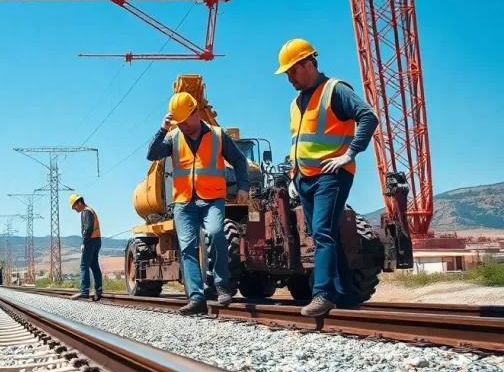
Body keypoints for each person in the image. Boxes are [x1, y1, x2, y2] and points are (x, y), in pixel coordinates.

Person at [275, 38, 378, 317]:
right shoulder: (296, 103)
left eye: (292, 71)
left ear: (308, 63)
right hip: (304, 178)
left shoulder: (335, 90)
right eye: (286, 73)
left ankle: (322, 294)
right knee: (325, 233)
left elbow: (368, 117)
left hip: (331, 175)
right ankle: (345, 293)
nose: (289, 77)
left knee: (321, 232)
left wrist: (350, 154)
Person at [146, 91, 250, 315]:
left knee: (215, 233)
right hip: (184, 201)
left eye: (183, 121)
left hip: (212, 198)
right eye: (177, 122)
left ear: (195, 113)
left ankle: (222, 286)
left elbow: (240, 160)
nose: (181, 125)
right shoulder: (173, 137)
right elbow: (152, 154)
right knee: (187, 248)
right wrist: (162, 129)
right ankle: (196, 298)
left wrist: (243, 187)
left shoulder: (218, 134)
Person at [68, 194, 103, 301]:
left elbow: (87, 228)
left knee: (84, 265)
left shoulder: (86, 212)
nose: (75, 209)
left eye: (75, 207)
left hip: (90, 241)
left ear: (79, 203)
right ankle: (99, 290)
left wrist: (84, 242)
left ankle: (84, 291)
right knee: (94, 265)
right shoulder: (90, 210)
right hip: (97, 240)